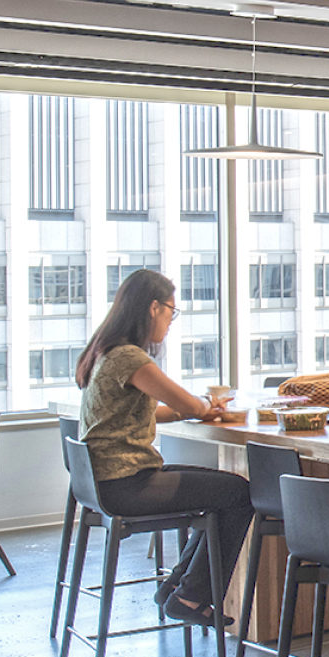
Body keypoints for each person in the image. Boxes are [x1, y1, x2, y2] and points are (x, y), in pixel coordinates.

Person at [76, 268, 253, 626]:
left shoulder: (105, 352)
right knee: (239, 492)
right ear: (154, 308)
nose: (172, 321)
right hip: (128, 485)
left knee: (222, 490)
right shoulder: (131, 357)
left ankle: (178, 588)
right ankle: (188, 596)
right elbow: (188, 403)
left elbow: (138, 413)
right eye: (172, 311)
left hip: (107, 483)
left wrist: (187, 413)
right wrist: (206, 408)